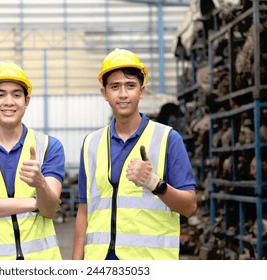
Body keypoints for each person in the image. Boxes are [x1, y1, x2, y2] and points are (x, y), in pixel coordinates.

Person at [72, 48, 197, 260]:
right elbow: (84, 211)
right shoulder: (91, 144)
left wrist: (155, 184)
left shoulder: (168, 139)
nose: (123, 94)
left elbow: (189, 207)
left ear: (141, 91)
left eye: (130, 86)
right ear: (104, 93)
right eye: (115, 87)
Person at [0, 61, 65, 260]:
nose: (9, 102)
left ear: (26, 101)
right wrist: (33, 203)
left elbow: (49, 209)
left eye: (16, 94)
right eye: (0, 94)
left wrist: (40, 184)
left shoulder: (49, 146)